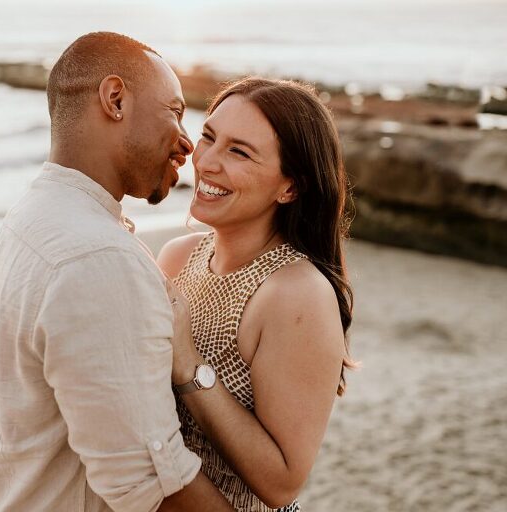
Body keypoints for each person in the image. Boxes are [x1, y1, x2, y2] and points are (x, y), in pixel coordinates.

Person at [0, 32, 233, 511]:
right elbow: (151, 489)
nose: (188, 143)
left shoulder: (30, 217)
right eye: (173, 110)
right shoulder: (98, 259)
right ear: (115, 99)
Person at [158, 77, 356, 511]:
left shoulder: (296, 294)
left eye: (239, 152)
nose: (207, 162)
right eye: (209, 137)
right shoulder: (177, 257)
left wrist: (187, 362)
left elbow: (282, 482)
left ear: (290, 187)